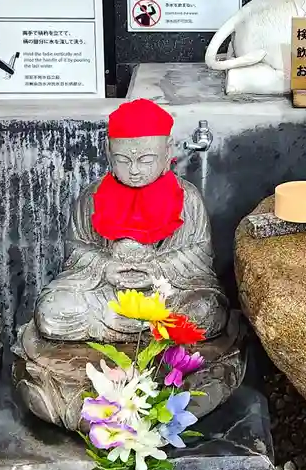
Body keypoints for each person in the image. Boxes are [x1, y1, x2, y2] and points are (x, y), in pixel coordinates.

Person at [33, 99, 228, 341]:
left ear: (168, 151)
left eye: (146, 160)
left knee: (206, 310)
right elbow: (76, 249)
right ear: (108, 152)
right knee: (51, 311)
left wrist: (157, 269)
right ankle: (142, 329)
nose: (134, 170)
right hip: (107, 293)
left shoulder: (188, 198)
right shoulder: (91, 197)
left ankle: (120, 328)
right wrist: (105, 267)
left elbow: (199, 253)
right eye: (123, 160)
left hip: (167, 293)